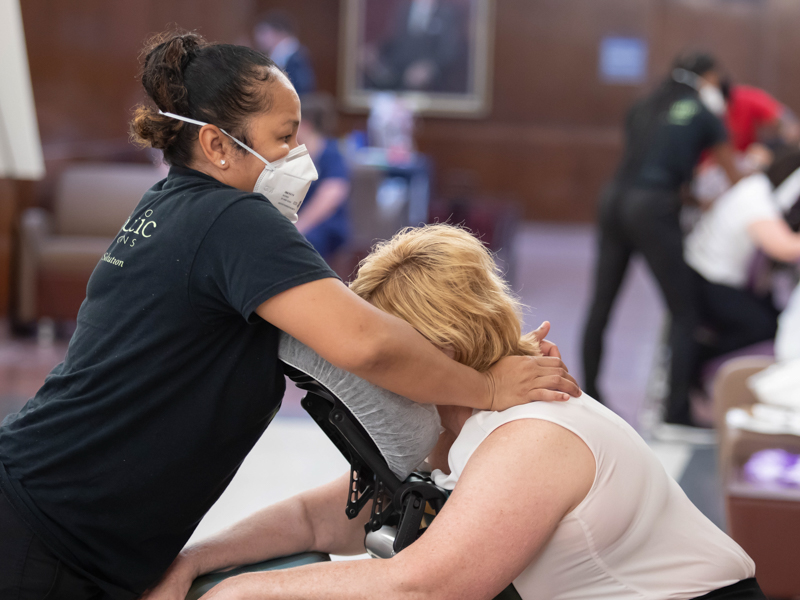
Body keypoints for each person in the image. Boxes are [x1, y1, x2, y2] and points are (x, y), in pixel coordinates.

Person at [0, 33, 581, 600]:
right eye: (282, 139)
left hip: (51, 508)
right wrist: (486, 384)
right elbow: (366, 344)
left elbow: (337, 344)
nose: (298, 158)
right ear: (218, 145)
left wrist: (481, 346)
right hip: (49, 528)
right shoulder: (236, 220)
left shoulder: (168, 206)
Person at [144, 225, 765, 600]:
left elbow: (427, 586)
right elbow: (322, 517)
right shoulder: (452, 423)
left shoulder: (532, 432)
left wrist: (235, 592)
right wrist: (197, 560)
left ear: (433, 346)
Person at [581, 52, 742, 427]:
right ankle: (676, 412)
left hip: (614, 200)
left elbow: (646, 162)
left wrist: (691, 197)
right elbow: (733, 173)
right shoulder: (704, 112)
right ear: (709, 78)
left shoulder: (642, 104)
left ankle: (589, 394)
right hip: (653, 210)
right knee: (684, 311)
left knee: (601, 305)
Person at [685, 149, 800, 373]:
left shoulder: (754, 186)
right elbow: (784, 248)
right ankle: (698, 361)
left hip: (709, 274)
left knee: (773, 311)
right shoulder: (756, 200)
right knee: (763, 326)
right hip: (709, 281)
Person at [295, 93, 350, 261]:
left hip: (324, 226)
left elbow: (332, 194)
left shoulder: (331, 153)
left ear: (304, 125)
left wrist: (298, 227)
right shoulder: (295, 154)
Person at [253, 10, 316, 95]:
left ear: (279, 32)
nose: (258, 38)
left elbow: (301, 92)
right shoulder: (286, 54)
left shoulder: (295, 57)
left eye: (263, 32)